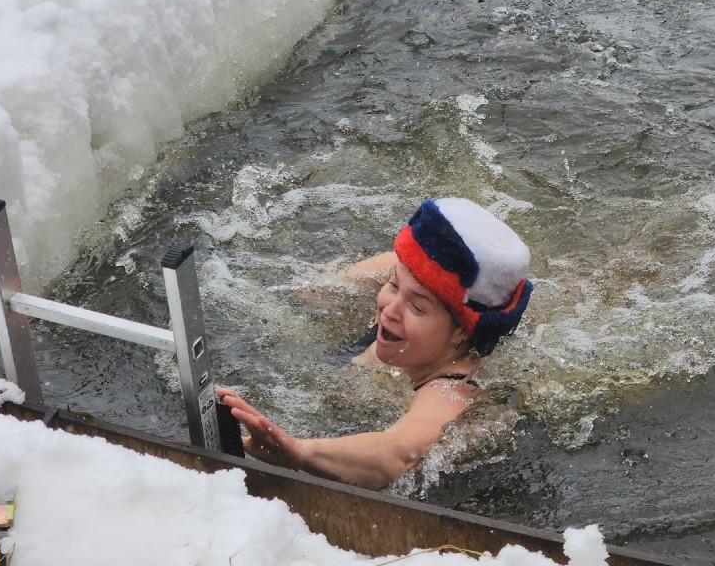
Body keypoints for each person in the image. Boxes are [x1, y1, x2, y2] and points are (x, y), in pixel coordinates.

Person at [217, 197, 533, 490]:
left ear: (460, 333)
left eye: (417, 307)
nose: (389, 310)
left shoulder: (451, 390)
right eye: (393, 285)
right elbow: (310, 293)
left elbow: (398, 454)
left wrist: (301, 452)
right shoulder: (412, 311)